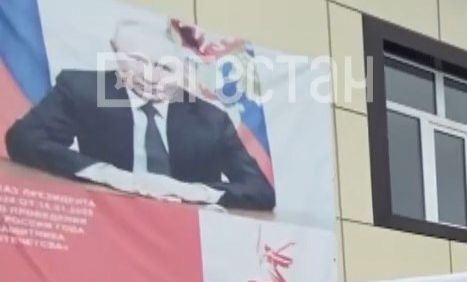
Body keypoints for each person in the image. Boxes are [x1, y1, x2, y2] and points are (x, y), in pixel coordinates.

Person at [4, 20, 277, 211]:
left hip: (184, 236)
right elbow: (23, 139)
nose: (150, 77)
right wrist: (107, 174)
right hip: (109, 223)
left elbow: (260, 191)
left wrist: (189, 191)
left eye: (163, 67)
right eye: (137, 62)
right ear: (115, 51)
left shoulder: (211, 119)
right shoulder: (83, 89)